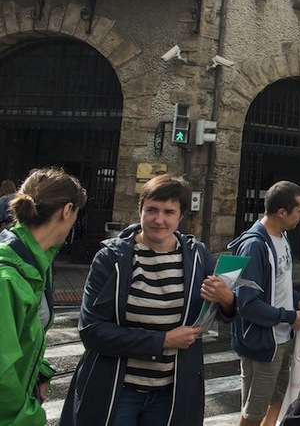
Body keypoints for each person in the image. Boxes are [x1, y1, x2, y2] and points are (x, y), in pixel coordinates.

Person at [60, 174, 235, 426]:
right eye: (151, 209)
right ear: (140, 210)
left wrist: (227, 299)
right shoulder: (110, 259)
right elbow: (92, 330)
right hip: (118, 389)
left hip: (171, 393)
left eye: (168, 212)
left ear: (181, 216)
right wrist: (162, 341)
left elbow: (218, 312)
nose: (159, 219)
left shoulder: (198, 256)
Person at [0, 167, 86, 426]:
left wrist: (38, 372)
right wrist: (29, 416)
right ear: (67, 211)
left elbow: (23, 337)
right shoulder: (9, 277)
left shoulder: (33, 261)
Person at [229, 180, 300, 426]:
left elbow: (280, 282)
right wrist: (291, 317)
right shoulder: (254, 246)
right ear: (281, 212)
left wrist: (299, 301)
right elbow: (246, 304)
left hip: (281, 339)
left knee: (277, 398)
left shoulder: (282, 236)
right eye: (299, 210)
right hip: (262, 344)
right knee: (254, 411)